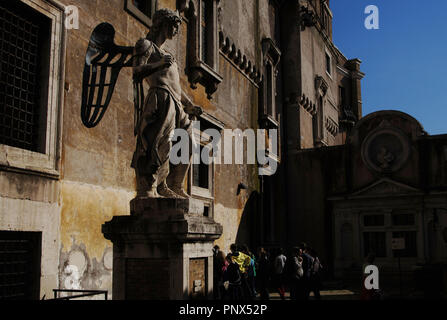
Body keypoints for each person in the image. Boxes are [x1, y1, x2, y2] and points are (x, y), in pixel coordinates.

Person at [132, 8, 201, 199]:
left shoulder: (167, 54)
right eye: (175, 25)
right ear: (164, 23)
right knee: (158, 144)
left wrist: (189, 103)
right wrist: (159, 64)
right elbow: (136, 72)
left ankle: (175, 185)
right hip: (159, 99)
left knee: (189, 142)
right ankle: (151, 188)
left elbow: (175, 84)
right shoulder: (145, 45)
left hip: (177, 103)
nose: (177, 30)